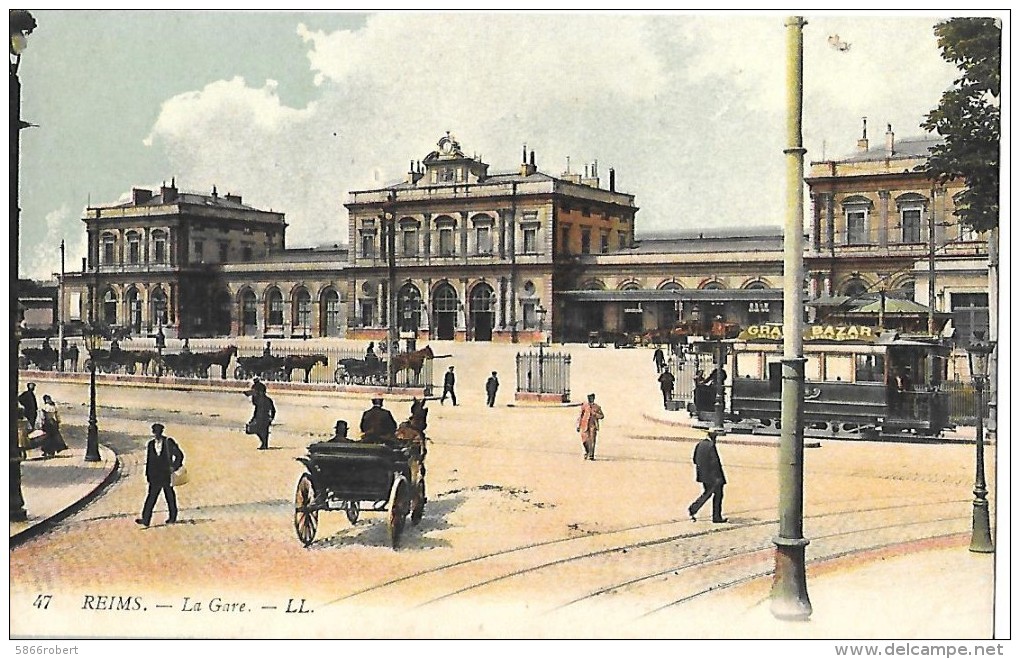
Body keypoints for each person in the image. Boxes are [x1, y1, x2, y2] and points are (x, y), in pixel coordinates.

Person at [135, 423, 185, 527]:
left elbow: (179, 455)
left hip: (166, 474)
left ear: (161, 432)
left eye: (158, 432)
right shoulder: (150, 444)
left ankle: (172, 516)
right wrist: (148, 474)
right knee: (151, 497)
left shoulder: (168, 442)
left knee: (169, 496)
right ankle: (146, 519)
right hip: (155, 476)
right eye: (155, 432)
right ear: (153, 432)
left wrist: (174, 466)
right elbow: (149, 460)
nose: (156, 434)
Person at [687, 430, 727, 523]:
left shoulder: (700, 444)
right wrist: (718, 478)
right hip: (713, 477)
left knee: (707, 493)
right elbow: (715, 463)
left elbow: (694, 459)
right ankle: (716, 516)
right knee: (718, 495)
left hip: (703, 475)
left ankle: (694, 508)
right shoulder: (711, 446)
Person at [576, 393, 605, 461]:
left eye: (591, 398)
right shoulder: (585, 406)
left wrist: (595, 414)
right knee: (585, 440)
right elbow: (580, 415)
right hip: (584, 425)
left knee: (592, 440)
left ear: (593, 398)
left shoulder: (597, 407)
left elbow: (602, 416)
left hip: (593, 425)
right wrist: (578, 425)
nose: (590, 399)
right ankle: (587, 451)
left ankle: (591, 455)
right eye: (589, 398)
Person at [248, 384, 276, 450]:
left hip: (264, 417)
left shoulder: (266, 400)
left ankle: (264, 444)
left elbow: (273, 410)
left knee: (263, 431)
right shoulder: (262, 399)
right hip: (261, 417)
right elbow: (256, 408)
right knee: (260, 431)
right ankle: (264, 444)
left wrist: (271, 418)